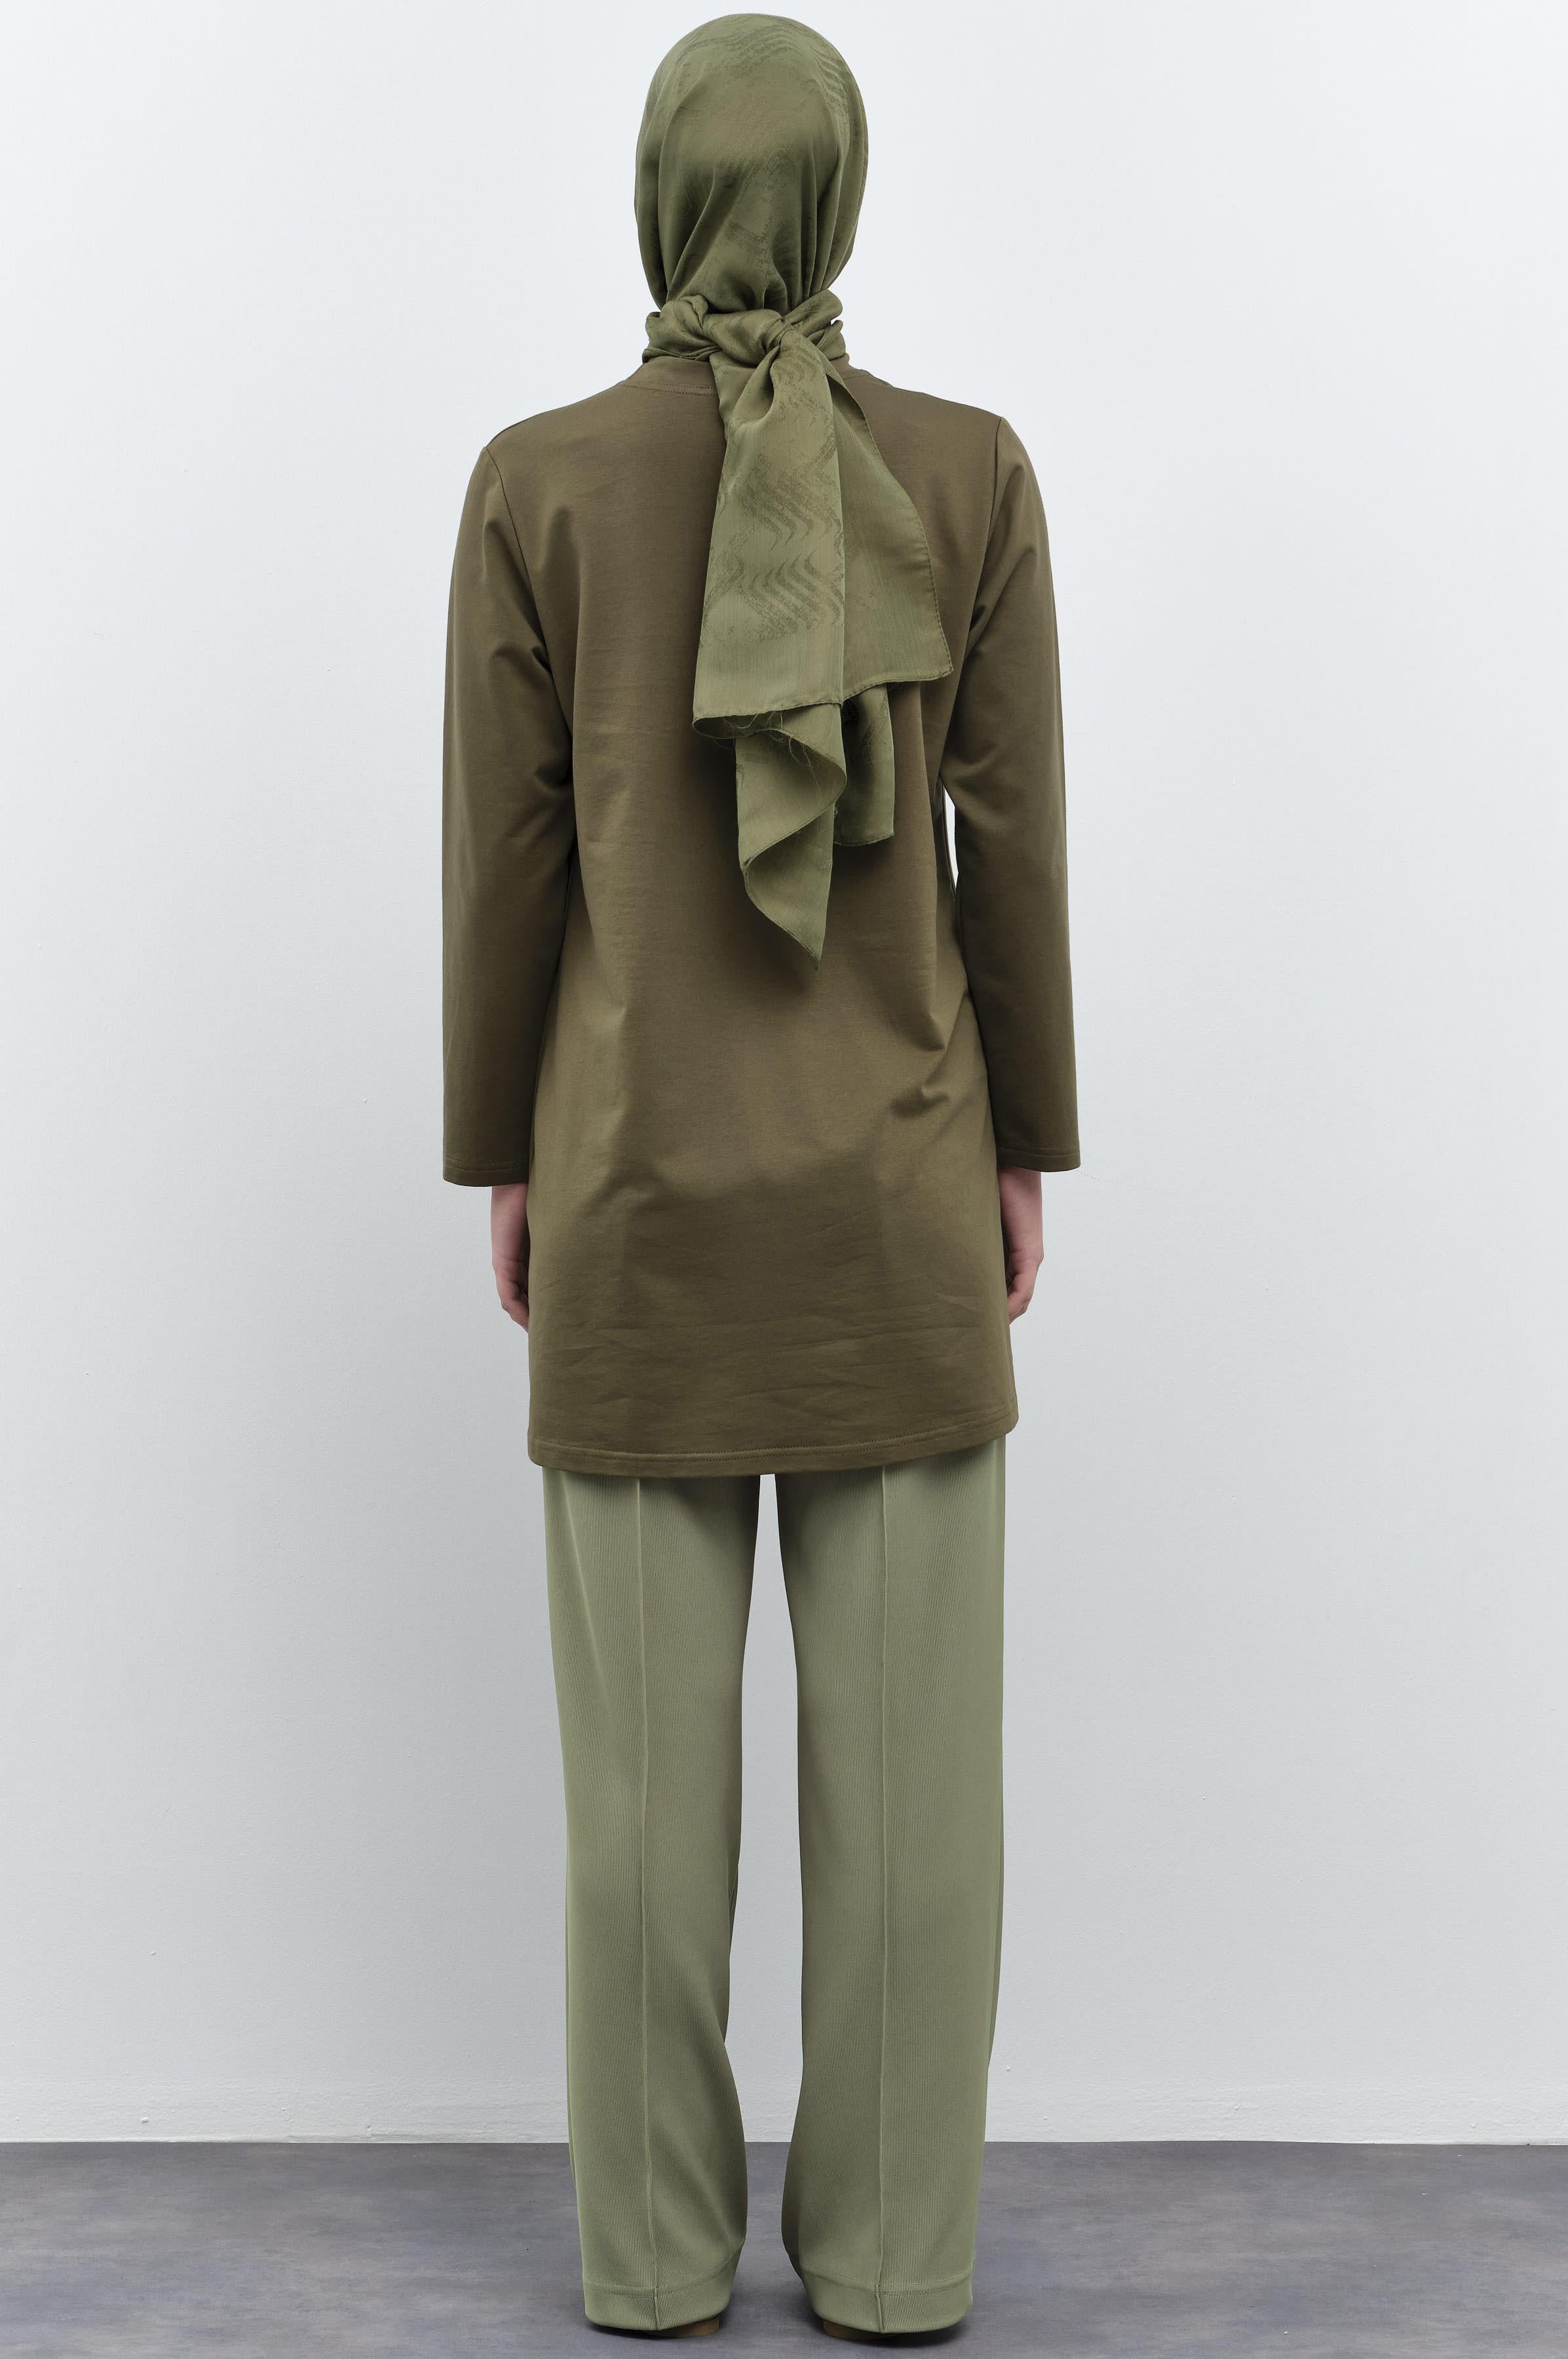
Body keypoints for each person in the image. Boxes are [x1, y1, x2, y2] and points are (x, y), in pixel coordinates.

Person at [442, 13, 1077, 2341]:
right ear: (843, 189)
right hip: (901, 1190)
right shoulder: (975, 472)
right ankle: (897, 2259)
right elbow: (1015, 848)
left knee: (638, 1822)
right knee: (917, 1818)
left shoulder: (536, 483)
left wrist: (503, 1153)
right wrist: (1025, 1143)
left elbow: (506, 868)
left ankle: (651, 2262)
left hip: (630, 1187)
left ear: (656, 189)